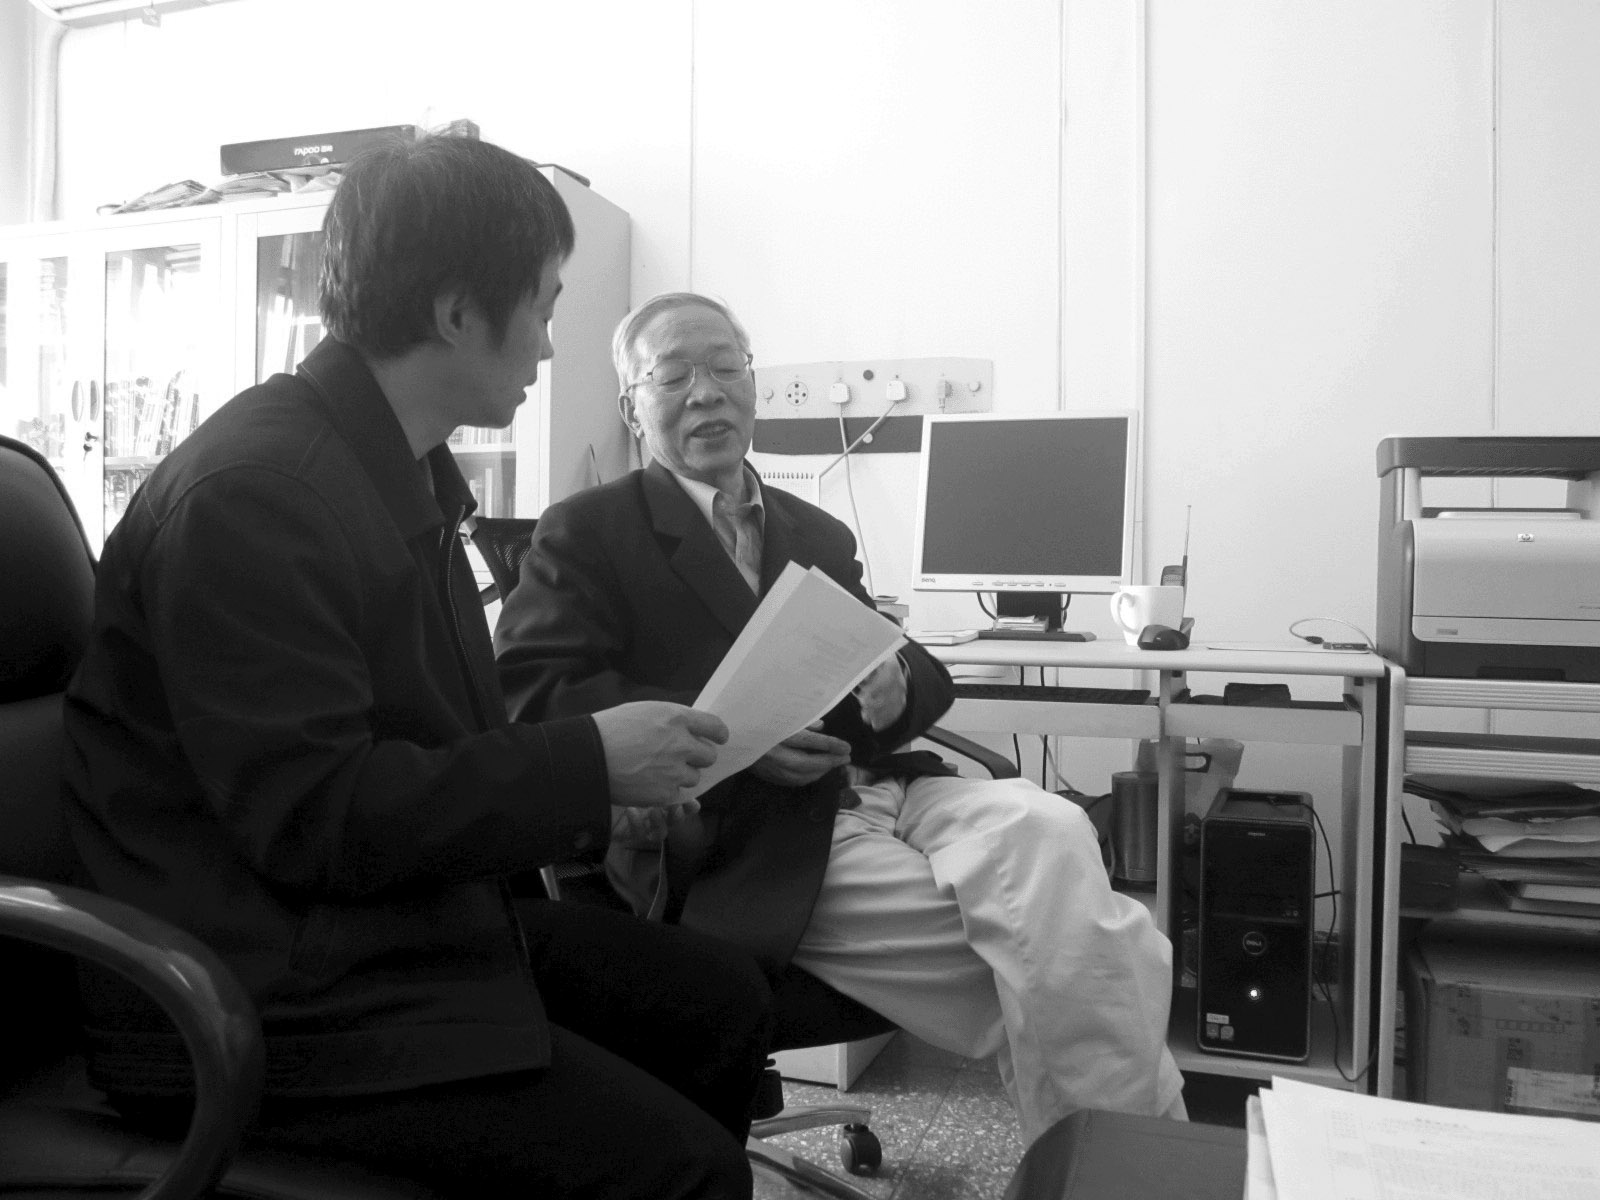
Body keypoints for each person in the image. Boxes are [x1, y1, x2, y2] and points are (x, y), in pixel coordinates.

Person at [61, 141, 772, 1200]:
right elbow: (317, 817)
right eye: (541, 306)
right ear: (455, 313)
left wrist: (594, 785)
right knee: (690, 1173)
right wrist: (586, 765)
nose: (547, 344)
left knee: (720, 1001)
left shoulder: (394, 470)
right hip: (254, 991)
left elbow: (430, 745)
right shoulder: (257, 495)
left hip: (376, 929)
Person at [494, 291, 1188, 1147]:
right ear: (634, 409)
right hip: (746, 832)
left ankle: (1115, 1169)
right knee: (1093, 952)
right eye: (671, 377)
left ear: (752, 385)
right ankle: (1137, 1169)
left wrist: (895, 680)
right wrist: (734, 734)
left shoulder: (814, 532)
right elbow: (529, 693)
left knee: (1050, 827)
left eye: (724, 367)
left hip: (881, 789)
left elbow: (902, 659)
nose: (705, 392)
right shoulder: (591, 530)